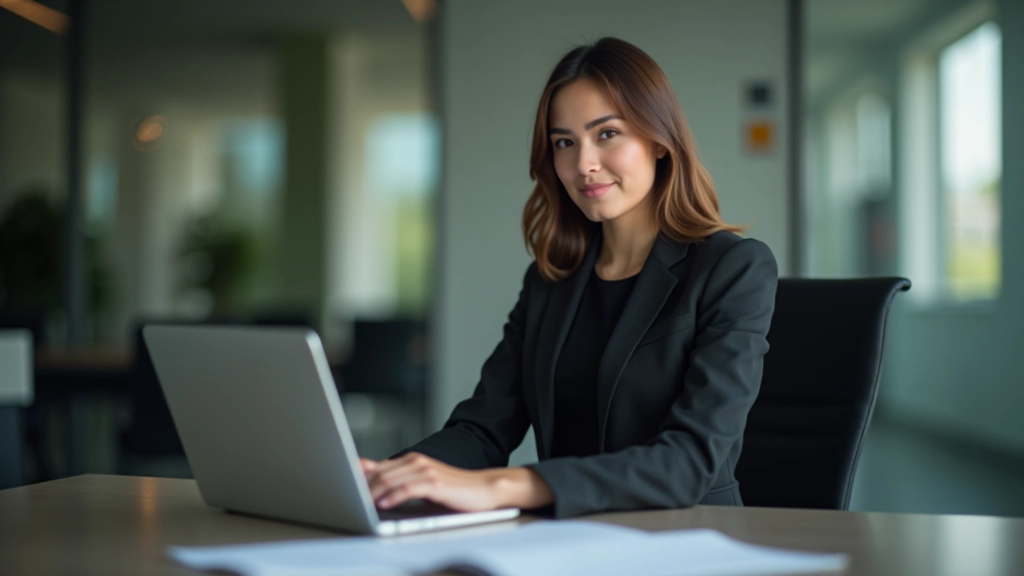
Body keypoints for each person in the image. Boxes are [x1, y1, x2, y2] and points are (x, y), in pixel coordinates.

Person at [360, 37, 778, 519]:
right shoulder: (550, 281)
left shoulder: (733, 269)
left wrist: (508, 485)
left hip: (691, 538)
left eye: (607, 134)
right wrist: (381, 479)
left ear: (659, 141)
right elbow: (482, 429)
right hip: (570, 541)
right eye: (564, 142)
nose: (583, 164)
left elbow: (690, 461)